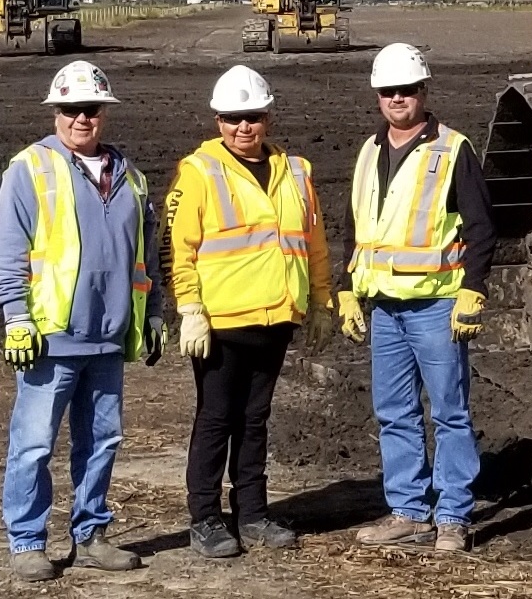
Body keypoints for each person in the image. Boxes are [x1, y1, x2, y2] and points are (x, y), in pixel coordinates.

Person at [0, 60, 166, 582]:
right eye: (70, 109)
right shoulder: (31, 169)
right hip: (49, 338)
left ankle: (91, 535)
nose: (80, 118)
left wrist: (152, 313)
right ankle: (26, 540)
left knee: (103, 441)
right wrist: (15, 316)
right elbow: (5, 253)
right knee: (34, 444)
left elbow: (146, 256)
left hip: (108, 339)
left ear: (103, 113)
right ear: (57, 112)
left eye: (90, 109)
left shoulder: (131, 177)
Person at [160, 64, 334, 558]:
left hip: (276, 318)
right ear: (218, 120)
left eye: (252, 117)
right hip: (221, 325)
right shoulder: (199, 172)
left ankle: (253, 513)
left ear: (268, 117)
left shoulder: (296, 172)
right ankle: (206, 519)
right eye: (233, 118)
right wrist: (189, 306)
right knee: (216, 419)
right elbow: (180, 247)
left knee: (255, 419)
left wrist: (320, 300)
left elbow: (313, 244)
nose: (243, 128)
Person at [338, 43, 496, 552]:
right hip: (384, 307)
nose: (398, 98)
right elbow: (355, 227)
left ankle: (452, 516)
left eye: (407, 90)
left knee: (450, 411)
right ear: (378, 96)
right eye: (389, 91)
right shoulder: (369, 151)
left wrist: (473, 289)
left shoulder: (453, 150)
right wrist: (347, 289)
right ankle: (408, 511)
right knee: (394, 412)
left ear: (424, 92)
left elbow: (481, 227)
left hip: (436, 308)